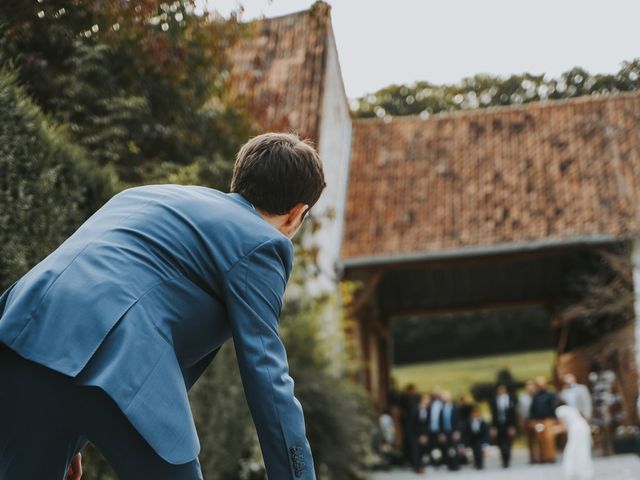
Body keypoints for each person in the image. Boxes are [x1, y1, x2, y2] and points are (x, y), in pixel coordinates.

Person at [0, 133, 326, 479]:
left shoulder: (140, 195)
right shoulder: (263, 242)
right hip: (121, 365)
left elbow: (88, 288)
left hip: (22, 338)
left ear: (239, 178)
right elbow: (266, 374)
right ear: (296, 214)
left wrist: (66, 433)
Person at [555, 404, 594, 480]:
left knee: (573, 448)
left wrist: (553, 430)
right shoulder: (571, 408)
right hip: (584, 426)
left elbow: (564, 427)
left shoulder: (559, 410)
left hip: (576, 429)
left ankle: (574, 470)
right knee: (583, 448)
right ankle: (584, 470)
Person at [529, 376, 558, 463]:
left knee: (549, 438)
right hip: (539, 420)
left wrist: (555, 419)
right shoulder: (535, 396)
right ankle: (543, 457)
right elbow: (532, 409)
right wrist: (533, 420)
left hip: (549, 420)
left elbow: (554, 407)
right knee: (540, 439)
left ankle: (550, 456)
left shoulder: (551, 395)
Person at [490, 384, 517, 468]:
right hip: (499, 425)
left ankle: (507, 459)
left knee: (508, 443)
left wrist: (513, 426)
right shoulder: (495, 401)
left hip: (508, 424)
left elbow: (513, 414)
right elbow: (493, 415)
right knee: (500, 443)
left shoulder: (510, 400)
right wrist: (493, 427)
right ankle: (503, 460)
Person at [438, 391, 462, 471]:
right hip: (445, 431)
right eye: (443, 397)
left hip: (453, 431)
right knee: (447, 448)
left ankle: (456, 465)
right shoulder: (442, 409)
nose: (444, 398)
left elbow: (458, 420)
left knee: (455, 448)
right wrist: (441, 433)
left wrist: (457, 431)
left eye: (446, 397)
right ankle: (449, 464)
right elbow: (440, 422)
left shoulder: (455, 408)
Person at [519, 380, 538, 463]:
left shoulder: (537, 396)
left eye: (531, 386)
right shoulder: (523, 398)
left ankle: (540, 456)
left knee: (539, 439)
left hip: (537, 420)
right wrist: (522, 420)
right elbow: (521, 410)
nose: (530, 388)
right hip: (527, 420)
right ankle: (532, 457)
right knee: (530, 440)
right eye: (528, 386)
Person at [466, 405, 490, 470]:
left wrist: (486, 443)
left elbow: (486, 434)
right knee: (475, 451)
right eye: (474, 413)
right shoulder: (469, 422)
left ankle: (480, 464)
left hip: (481, 440)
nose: (475, 414)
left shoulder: (483, 423)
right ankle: (476, 463)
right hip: (473, 440)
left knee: (479, 450)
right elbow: (467, 433)